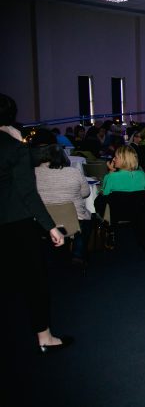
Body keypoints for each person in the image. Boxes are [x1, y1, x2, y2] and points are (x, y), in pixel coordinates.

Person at [0, 93, 71, 359]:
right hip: (15, 221)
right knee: (34, 281)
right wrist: (51, 227)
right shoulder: (14, 148)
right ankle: (45, 337)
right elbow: (28, 193)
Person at [32, 131, 91, 265]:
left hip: (44, 220)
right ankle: (77, 253)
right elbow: (85, 193)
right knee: (85, 218)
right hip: (73, 219)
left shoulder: (33, 173)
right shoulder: (73, 172)